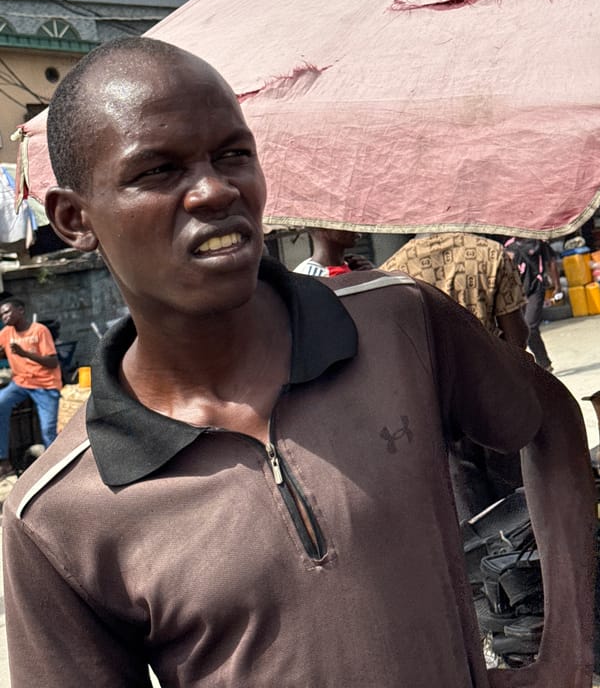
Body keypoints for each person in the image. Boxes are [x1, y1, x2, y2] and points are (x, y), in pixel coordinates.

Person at [2, 37, 594, 688]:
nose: (213, 191)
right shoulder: (60, 515)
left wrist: (567, 651)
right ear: (72, 218)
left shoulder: (398, 322)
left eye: (233, 154)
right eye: (160, 171)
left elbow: (552, 421)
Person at [380, 232, 529, 518]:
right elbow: (517, 337)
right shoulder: (491, 253)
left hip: (439, 413)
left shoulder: (392, 272)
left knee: (469, 517)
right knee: (519, 512)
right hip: (496, 403)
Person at [380, 232, 528, 346]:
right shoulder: (491, 254)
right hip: (487, 376)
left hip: (426, 383)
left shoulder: (389, 271)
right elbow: (517, 337)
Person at [0, 298, 62, 478]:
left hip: (45, 385)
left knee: (48, 430)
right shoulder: (6, 333)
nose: (4, 316)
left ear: (20, 310)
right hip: (20, 383)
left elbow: (53, 362)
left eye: (7, 312)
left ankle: (55, 469)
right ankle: (4, 461)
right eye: (2, 314)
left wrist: (25, 353)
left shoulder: (40, 331)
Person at [504, 237, 561, 371]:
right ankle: (541, 363)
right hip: (518, 292)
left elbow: (551, 262)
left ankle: (544, 363)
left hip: (536, 288)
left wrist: (557, 287)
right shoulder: (508, 246)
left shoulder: (538, 242)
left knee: (530, 326)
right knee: (522, 329)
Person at [293, 227, 374, 276]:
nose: (356, 228)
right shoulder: (310, 279)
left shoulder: (358, 267)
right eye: (346, 220)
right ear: (323, 225)